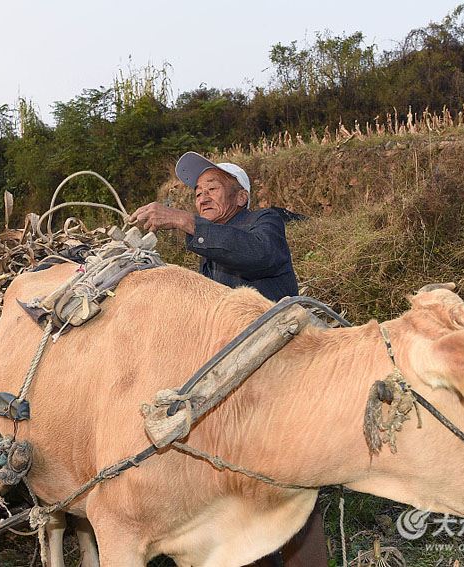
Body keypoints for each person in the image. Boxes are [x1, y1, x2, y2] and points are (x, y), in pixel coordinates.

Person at [129, 151, 328, 567]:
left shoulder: (263, 222)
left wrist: (185, 222)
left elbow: (261, 255)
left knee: (288, 482)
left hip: (275, 378)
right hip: (230, 387)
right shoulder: (209, 254)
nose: (200, 197)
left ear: (240, 197)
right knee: (237, 487)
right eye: (197, 192)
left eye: (212, 188)